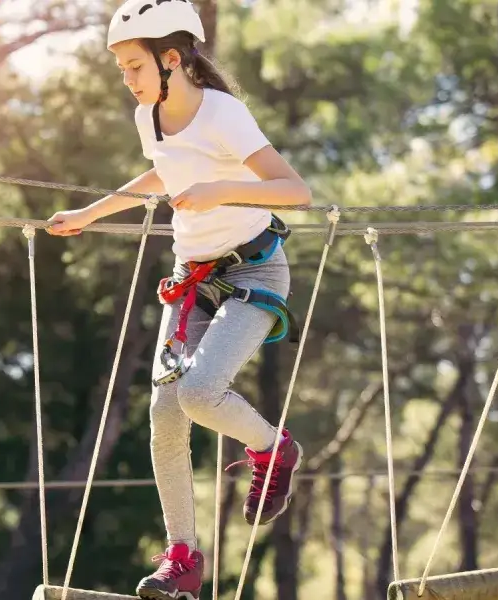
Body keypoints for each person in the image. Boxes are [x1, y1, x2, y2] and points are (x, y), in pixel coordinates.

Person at [46, 0, 313, 597]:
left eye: (133, 66)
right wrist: (91, 213)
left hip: (253, 275)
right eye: (121, 69)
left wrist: (220, 189)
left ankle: (275, 448)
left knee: (198, 393)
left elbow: (295, 190)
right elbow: (161, 175)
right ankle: (183, 560)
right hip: (191, 278)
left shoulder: (224, 115)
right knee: (166, 414)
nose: (126, 79)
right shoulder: (152, 117)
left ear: (172, 60)